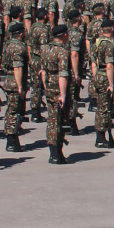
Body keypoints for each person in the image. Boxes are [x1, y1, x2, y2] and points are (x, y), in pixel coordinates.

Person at [42, 24, 71, 164]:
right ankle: (56, 152)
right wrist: (63, 94)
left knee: (52, 120)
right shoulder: (62, 51)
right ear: (63, 35)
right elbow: (63, 75)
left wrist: (46, 86)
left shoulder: (46, 49)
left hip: (49, 87)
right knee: (59, 121)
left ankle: (54, 152)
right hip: (58, 88)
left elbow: (43, 71)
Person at [0, 21, 27, 153]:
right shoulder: (18, 47)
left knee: (12, 110)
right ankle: (12, 139)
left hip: (9, 81)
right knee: (14, 112)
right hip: (15, 82)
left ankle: (12, 136)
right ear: (20, 33)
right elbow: (17, 67)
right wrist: (20, 86)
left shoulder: (8, 45)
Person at [91, 18, 114, 149]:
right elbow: (109, 66)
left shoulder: (98, 42)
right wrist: (111, 84)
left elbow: (94, 62)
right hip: (105, 77)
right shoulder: (108, 44)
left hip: (98, 76)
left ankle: (101, 135)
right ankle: (100, 138)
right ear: (112, 29)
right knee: (104, 108)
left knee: (102, 107)